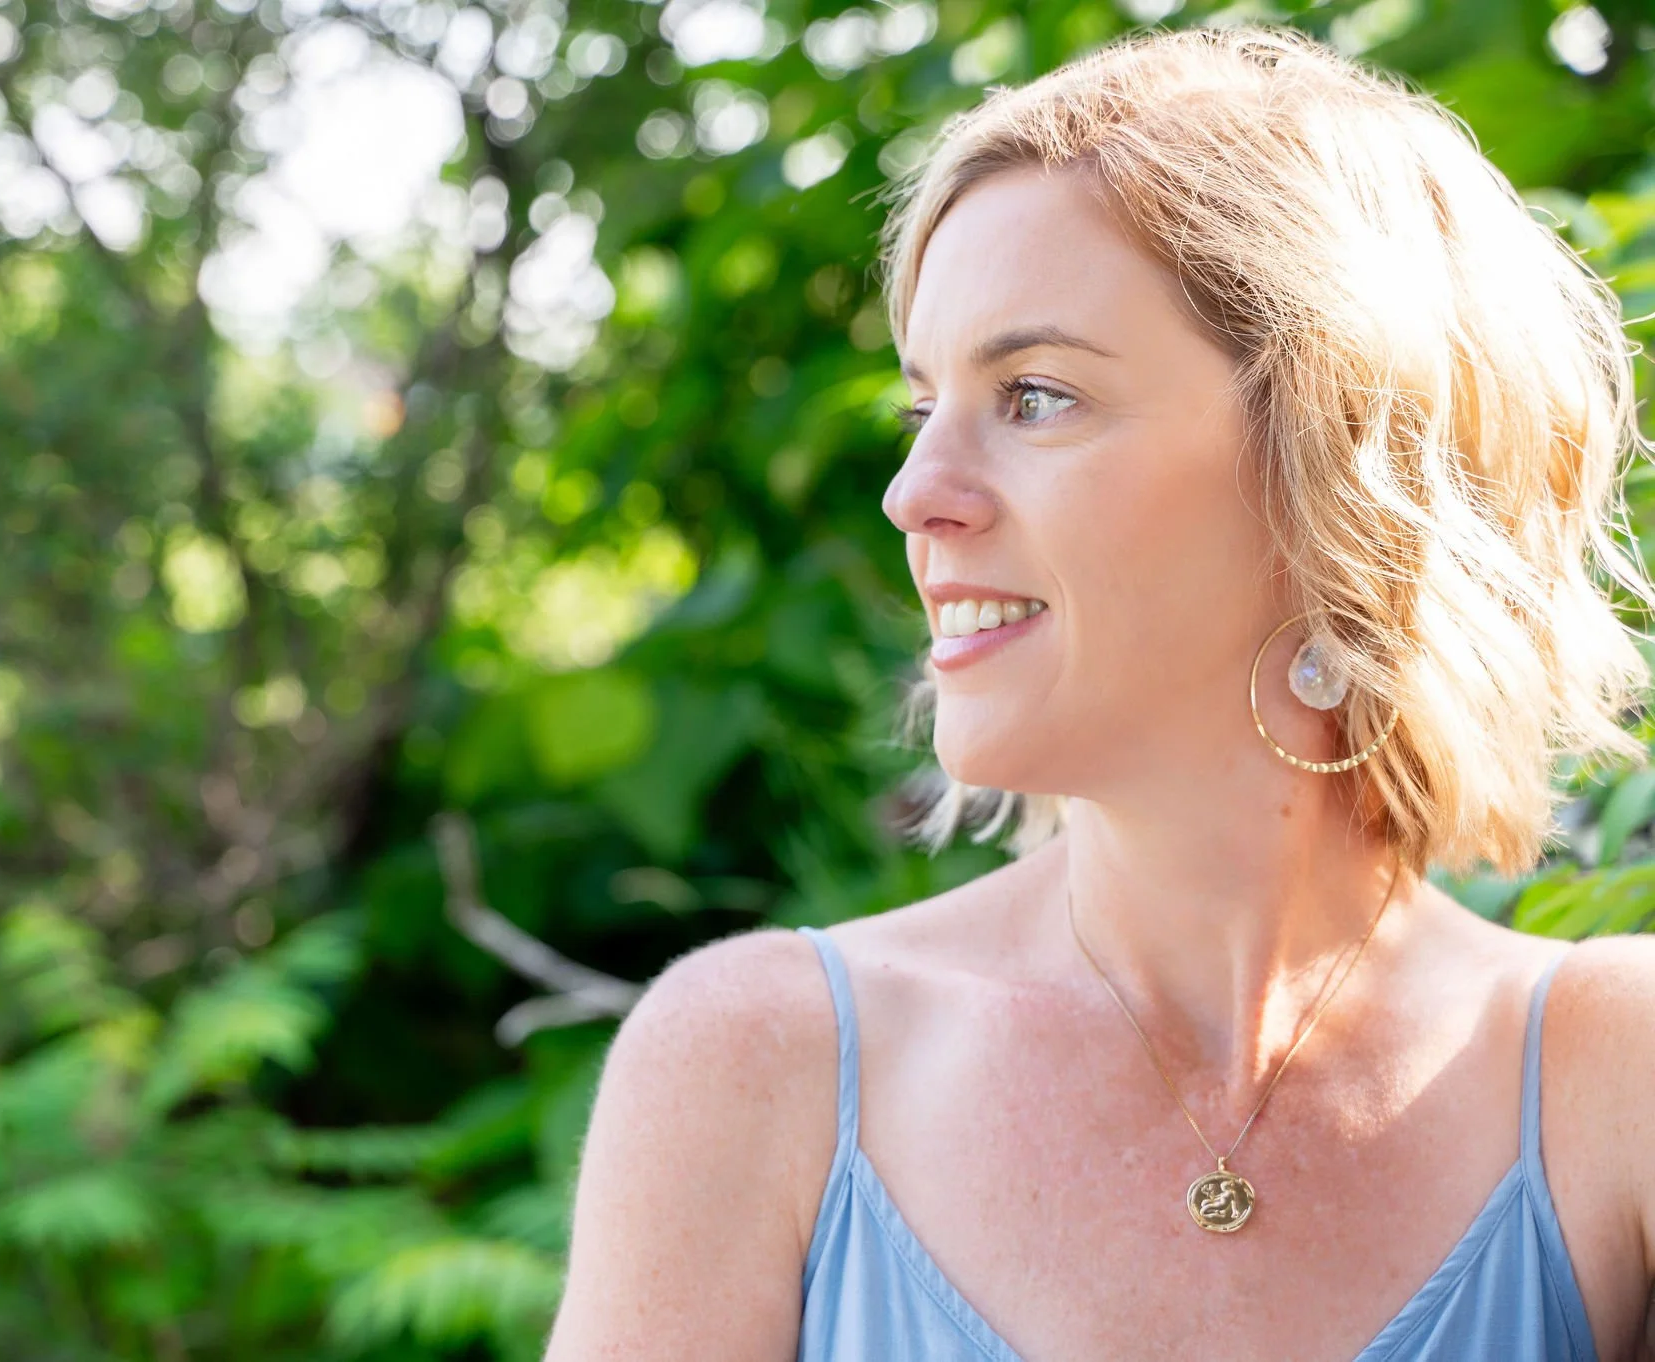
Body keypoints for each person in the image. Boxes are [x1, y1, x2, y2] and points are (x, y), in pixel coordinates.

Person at [542, 22, 1655, 1362]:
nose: (913, 495)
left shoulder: (1613, 1080)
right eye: (921, 409)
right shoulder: (754, 1066)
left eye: (1034, 395)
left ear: (1331, 462)